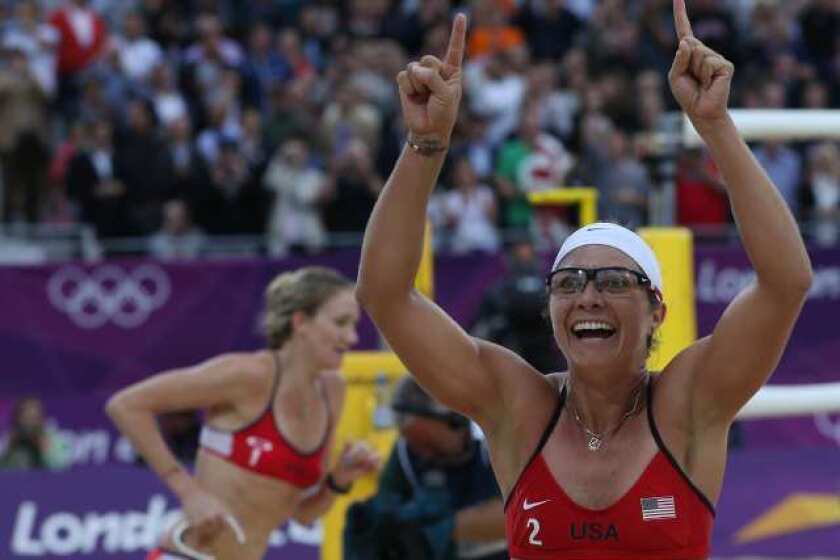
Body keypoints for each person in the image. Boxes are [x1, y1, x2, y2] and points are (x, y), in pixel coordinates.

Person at [356, 3, 812, 558]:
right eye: (568, 283)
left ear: (657, 311)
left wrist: (714, 127)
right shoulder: (517, 405)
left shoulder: (689, 401)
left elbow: (786, 281)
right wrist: (425, 145)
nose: (587, 296)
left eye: (613, 281)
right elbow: (384, 294)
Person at [106, 266, 380, 560]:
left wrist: (338, 481)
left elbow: (302, 514)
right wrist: (189, 492)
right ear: (300, 321)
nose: (351, 337)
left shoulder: (333, 390)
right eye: (340, 323)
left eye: (353, 324)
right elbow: (126, 405)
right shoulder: (248, 375)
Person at [344, 376, 506, 560]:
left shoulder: (496, 444)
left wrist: (443, 528)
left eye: (429, 445)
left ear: (456, 420)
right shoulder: (405, 454)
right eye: (416, 447)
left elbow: (518, 517)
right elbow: (387, 510)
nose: (424, 456)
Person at [0, 397, 70, 470]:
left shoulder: (54, 438)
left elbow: (61, 466)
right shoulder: (8, 438)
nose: (30, 423)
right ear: (18, 418)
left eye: (34, 418)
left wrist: (46, 449)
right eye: (26, 418)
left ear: (42, 418)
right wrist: (9, 448)